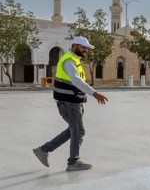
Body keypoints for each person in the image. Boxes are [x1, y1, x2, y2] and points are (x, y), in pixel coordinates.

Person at [32, 36, 109, 171]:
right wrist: (94, 93)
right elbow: (76, 80)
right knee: (77, 131)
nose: (86, 50)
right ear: (75, 46)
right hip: (69, 103)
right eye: (83, 47)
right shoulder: (69, 60)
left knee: (75, 131)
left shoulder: (74, 60)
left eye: (86, 48)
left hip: (74, 102)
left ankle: (43, 150)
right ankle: (73, 162)